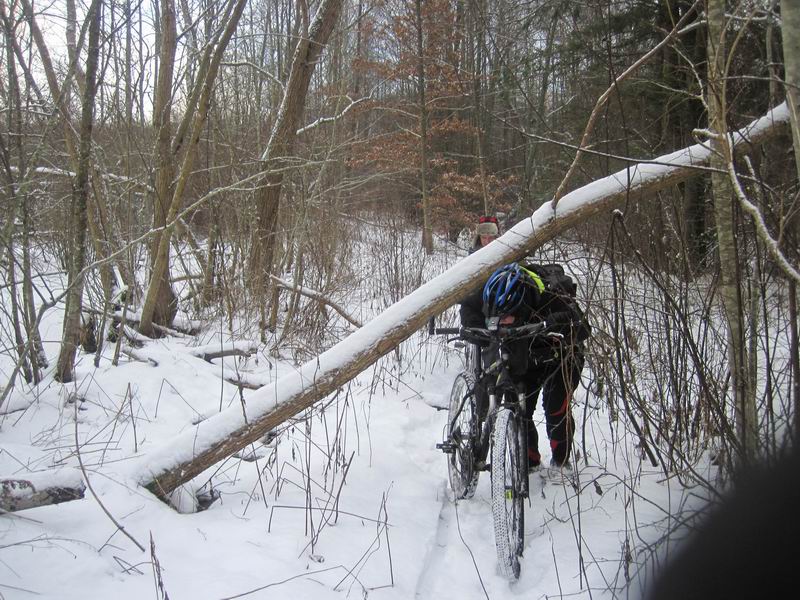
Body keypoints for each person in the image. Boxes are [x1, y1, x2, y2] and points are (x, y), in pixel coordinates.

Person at [459, 263, 590, 471]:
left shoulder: (550, 296)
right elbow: (467, 306)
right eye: (499, 318)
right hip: (523, 354)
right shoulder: (492, 289)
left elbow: (583, 328)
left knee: (556, 407)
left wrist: (559, 324)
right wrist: (478, 326)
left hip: (561, 357)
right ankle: (529, 461)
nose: (503, 322)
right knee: (518, 408)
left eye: (508, 318)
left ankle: (561, 463)